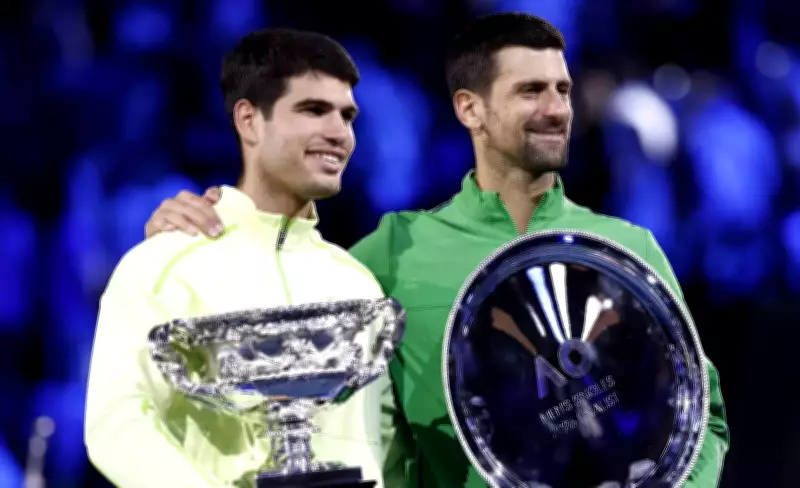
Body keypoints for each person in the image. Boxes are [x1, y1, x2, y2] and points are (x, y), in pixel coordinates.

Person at [142, 13, 729, 488]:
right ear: (470, 108)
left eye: (563, 90)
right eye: (531, 91)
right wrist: (202, 235)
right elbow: (279, 317)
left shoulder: (627, 248)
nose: (556, 110)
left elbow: (703, 416)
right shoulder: (395, 251)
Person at [85, 28, 390, 488]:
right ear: (249, 120)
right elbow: (119, 425)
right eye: (313, 110)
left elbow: (372, 446)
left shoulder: (356, 284)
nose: (339, 133)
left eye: (346, 116)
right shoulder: (164, 264)